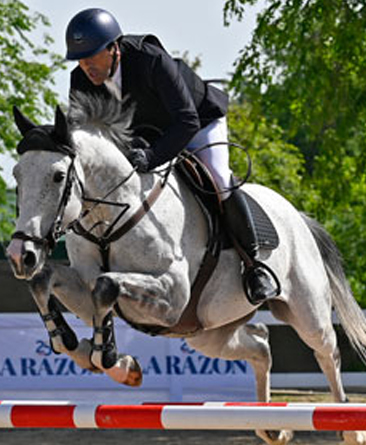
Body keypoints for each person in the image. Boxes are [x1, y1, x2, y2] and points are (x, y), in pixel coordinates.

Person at [64, 8, 278, 304]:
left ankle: (255, 266)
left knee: (218, 178)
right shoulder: (80, 81)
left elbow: (186, 121)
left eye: (93, 56)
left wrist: (151, 157)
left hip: (199, 121)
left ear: (114, 49)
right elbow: (90, 138)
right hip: (150, 132)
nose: (86, 65)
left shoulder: (150, 59)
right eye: (80, 59)